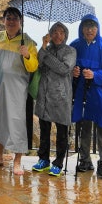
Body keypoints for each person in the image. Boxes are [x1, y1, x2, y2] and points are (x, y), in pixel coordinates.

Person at [0, 7, 39, 176]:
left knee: (17, 122)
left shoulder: (28, 42)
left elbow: (33, 67)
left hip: (17, 90)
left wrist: (27, 55)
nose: (11, 21)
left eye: (15, 18)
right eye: (8, 18)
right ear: (3, 20)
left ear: (20, 21)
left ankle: (17, 161)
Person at [70, 14, 102, 180]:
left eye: (92, 26)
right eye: (86, 26)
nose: (89, 30)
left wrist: (96, 75)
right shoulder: (75, 45)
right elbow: (68, 65)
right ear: (81, 28)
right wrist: (73, 72)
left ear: (97, 28)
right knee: (84, 126)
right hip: (83, 92)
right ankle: (85, 160)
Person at [31, 22, 76, 177]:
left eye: (61, 32)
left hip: (61, 97)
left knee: (62, 132)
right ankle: (43, 159)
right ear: (50, 34)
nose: (58, 35)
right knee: (44, 130)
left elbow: (64, 69)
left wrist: (46, 56)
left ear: (66, 35)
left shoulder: (70, 51)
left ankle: (58, 163)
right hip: (44, 95)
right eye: (55, 32)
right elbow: (38, 65)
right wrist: (43, 46)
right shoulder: (46, 49)